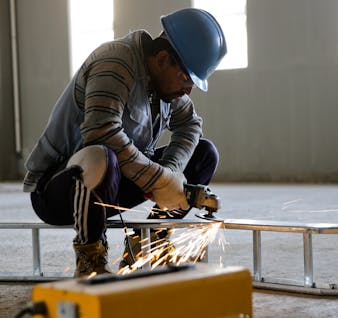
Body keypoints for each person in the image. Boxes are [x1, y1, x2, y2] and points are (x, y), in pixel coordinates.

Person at [22, 8, 227, 276]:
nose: (188, 90)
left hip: (115, 180)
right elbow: (101, 132)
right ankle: (90, 258)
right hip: (61, 191)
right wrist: (159, 181)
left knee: (204, 153)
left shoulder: (166, 86)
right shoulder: (115, 64)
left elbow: (190, 125)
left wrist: (172, 172)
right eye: (186, 78)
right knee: (100, 156)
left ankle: (148, 244)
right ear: (163, 59)